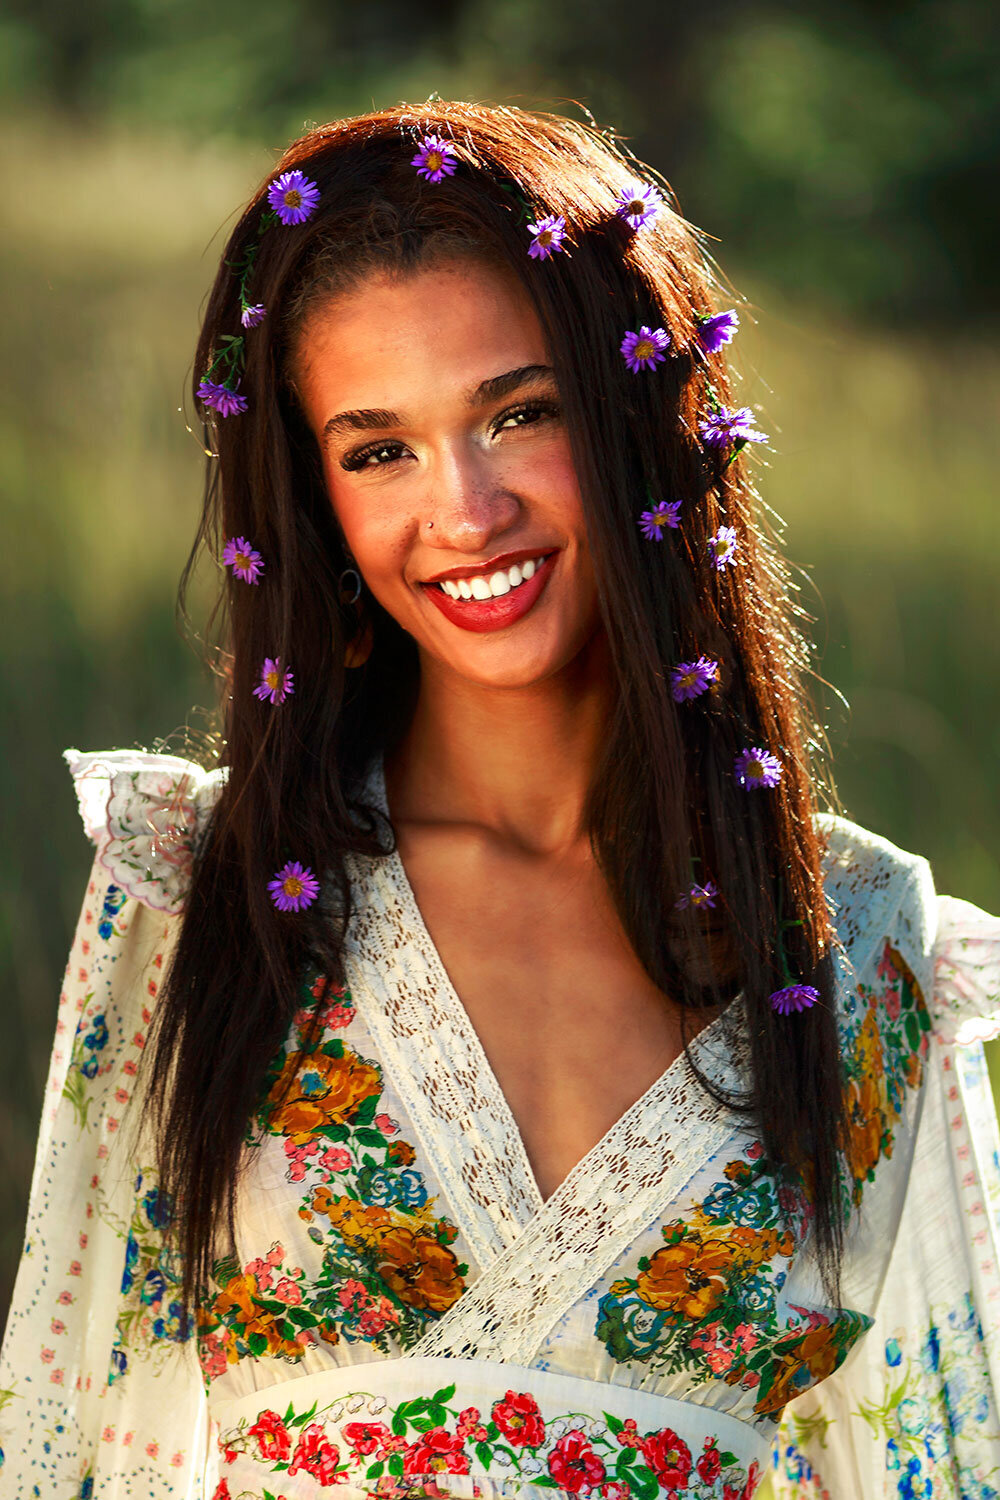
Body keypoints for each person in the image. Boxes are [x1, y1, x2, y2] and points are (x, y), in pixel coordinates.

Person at [1, 97, 998, 1500]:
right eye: (377, 448)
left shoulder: (869, 957)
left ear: (643, 425)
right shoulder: (195, 897)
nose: (463, 512)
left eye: (520, 414)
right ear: (317, 501)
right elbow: (74, 1445)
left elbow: (945, 1466)